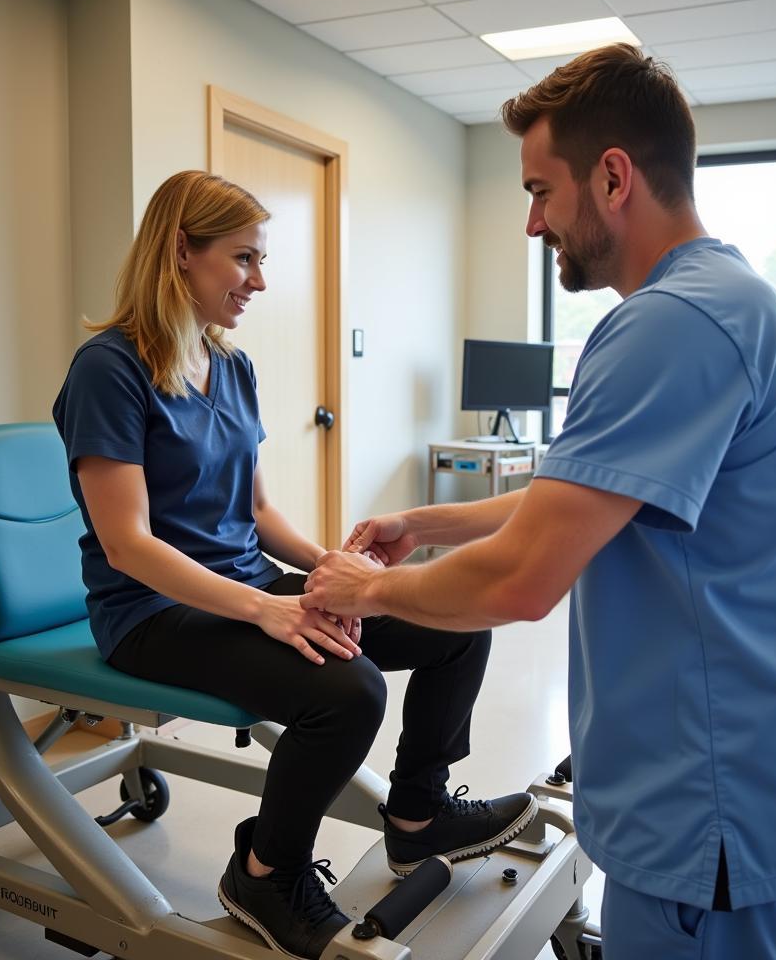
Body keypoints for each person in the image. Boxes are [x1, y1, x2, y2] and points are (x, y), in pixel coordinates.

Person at [303, 45, 776, 960]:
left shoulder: (665, 325)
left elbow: (526, 577)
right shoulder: (739, 300)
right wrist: (426, 523)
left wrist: (362, 590)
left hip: (714, 818)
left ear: (613, 177)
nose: (533, 224)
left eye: (540, 191)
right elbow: (585, 496)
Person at [52, 170, 537, 960]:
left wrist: (343, 574)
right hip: (148, 613)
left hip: (245, 590)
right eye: (243, 259)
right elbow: (127, 545)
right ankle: (263, 875)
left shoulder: (231, 367)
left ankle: (418, 817)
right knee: (347, 691)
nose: (259, 281)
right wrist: (267, 610)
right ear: (181, 250)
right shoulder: (109, 369)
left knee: (452, 617)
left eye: (261, 261)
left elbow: (256, 515)